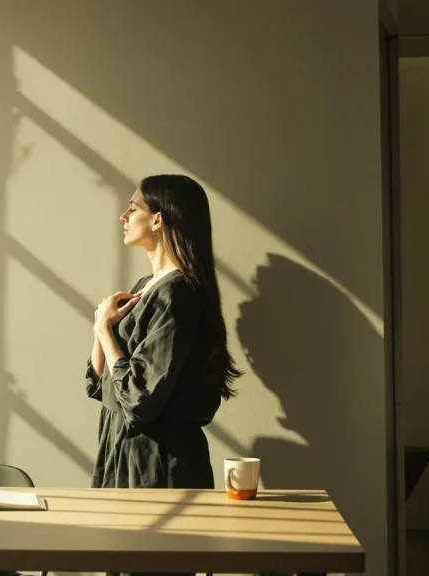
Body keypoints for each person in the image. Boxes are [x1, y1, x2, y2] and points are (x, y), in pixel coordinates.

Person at [85, 174, 242, 576]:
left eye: (133, 207)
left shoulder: (177, 294)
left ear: (158, 220)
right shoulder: (145, 287)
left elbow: (139, 398)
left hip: (158, 472)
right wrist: (99, 328)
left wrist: (106, 331)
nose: (123, 215)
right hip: (124, 461)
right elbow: (100, 386)